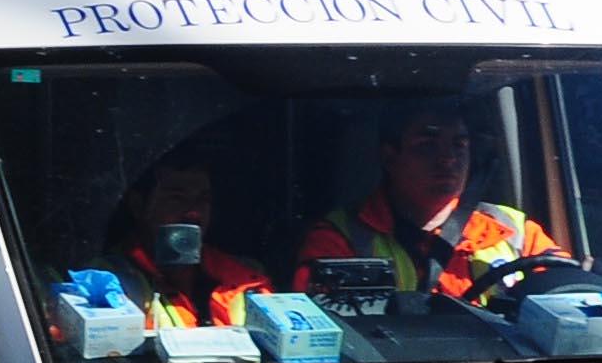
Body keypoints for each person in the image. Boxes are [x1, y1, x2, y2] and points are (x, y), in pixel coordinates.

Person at [294, 98, 566, 301]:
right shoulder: (340, 238)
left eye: (459, 145)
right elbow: (320, 333)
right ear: (390, 157)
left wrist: (589, 277)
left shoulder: (514, 231)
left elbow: (569, 297)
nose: (448, 159)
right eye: (427, 145)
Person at [100, 145, 268, 330]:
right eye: (176, 199)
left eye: (203, 200)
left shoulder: (247, 277)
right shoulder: (106, 282)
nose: (193, 213)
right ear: (138, 206)